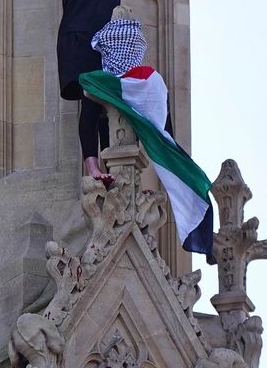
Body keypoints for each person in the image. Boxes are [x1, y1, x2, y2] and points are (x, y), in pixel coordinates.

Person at [81, 18, 214, 258]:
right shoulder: (103, 84)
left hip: (130, 167)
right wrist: (94, 169)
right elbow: (167, 136)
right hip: (112, 167)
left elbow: (165, 139)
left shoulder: (147, 83)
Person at [57, 0, 151, 184]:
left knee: (96, 100)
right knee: (94, 97)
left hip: (79, 33)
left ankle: (100, 167)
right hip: (88, 35)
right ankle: (96, 167)